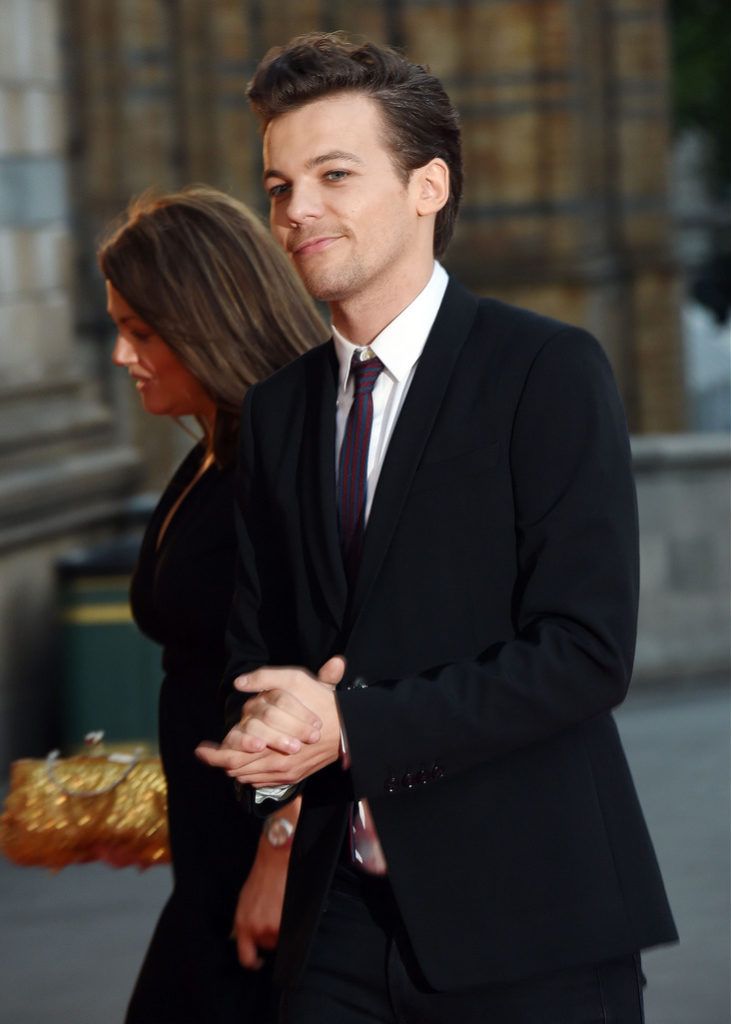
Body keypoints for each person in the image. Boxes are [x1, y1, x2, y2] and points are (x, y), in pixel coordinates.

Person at [196, 34, 678, 1024]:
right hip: (336, 921)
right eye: (278, 184)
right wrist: (268, 737)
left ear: (427, 187)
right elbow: (262, 646)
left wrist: (348, 726)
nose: (295, 211)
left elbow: (585, 653)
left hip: (530, 915)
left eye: (333, 174)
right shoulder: (277, 408)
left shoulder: (542, 370)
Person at [99, 185, 327, 1024]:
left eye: (142, 333)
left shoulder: (277, 462)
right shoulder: (214, 451)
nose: (125, 357)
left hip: (264, 862)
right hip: (210, 847)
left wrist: (278, 855)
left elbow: (316, 663)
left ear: (207, 322)